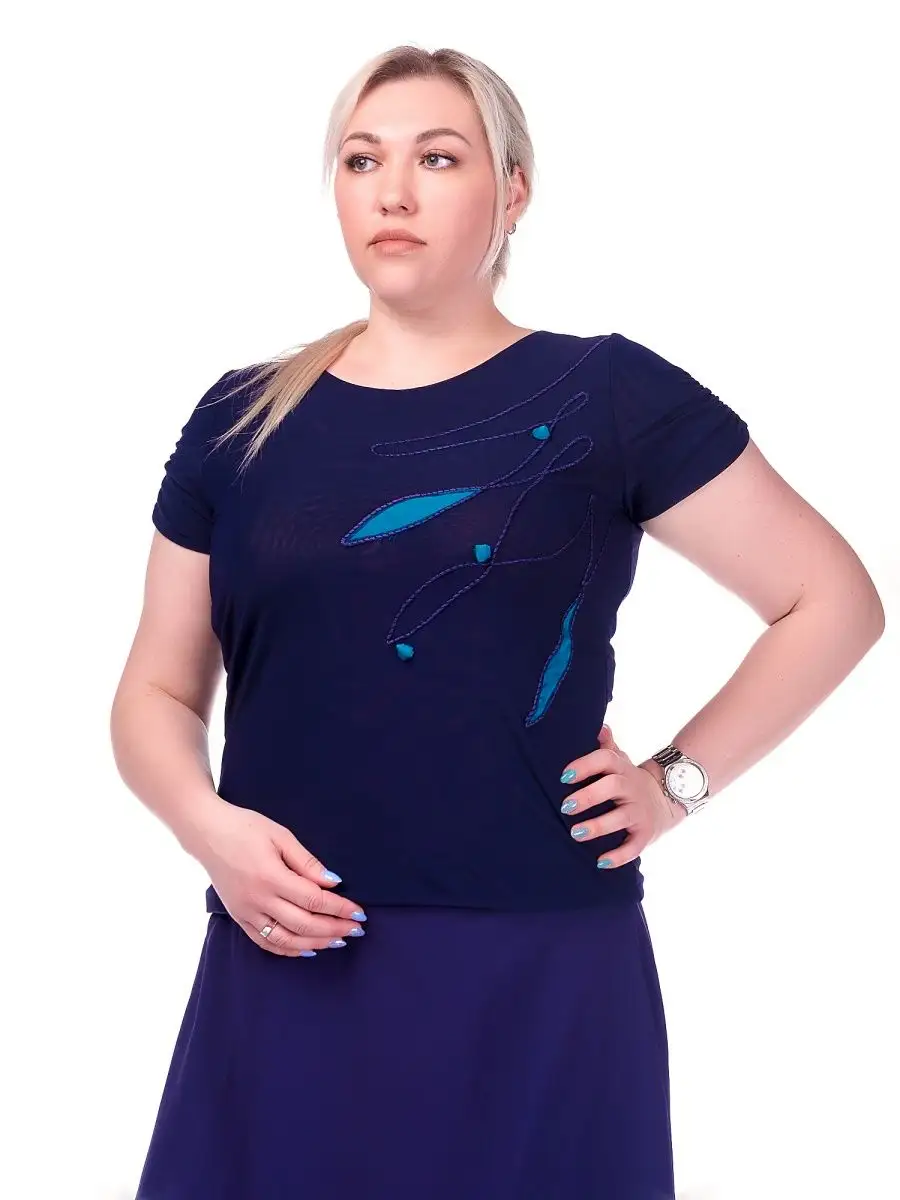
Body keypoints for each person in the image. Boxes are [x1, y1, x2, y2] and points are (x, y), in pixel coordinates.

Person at [110, 43, 886, 1200]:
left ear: (513, 190)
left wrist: (674, 784)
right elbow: (157, 691)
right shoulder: (242, 417)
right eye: (362, 160)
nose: (393, 190)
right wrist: (206, 830)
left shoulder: (605, 395)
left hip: (537, 967)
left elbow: (832, 601)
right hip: (287, 952)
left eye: (438, 158)